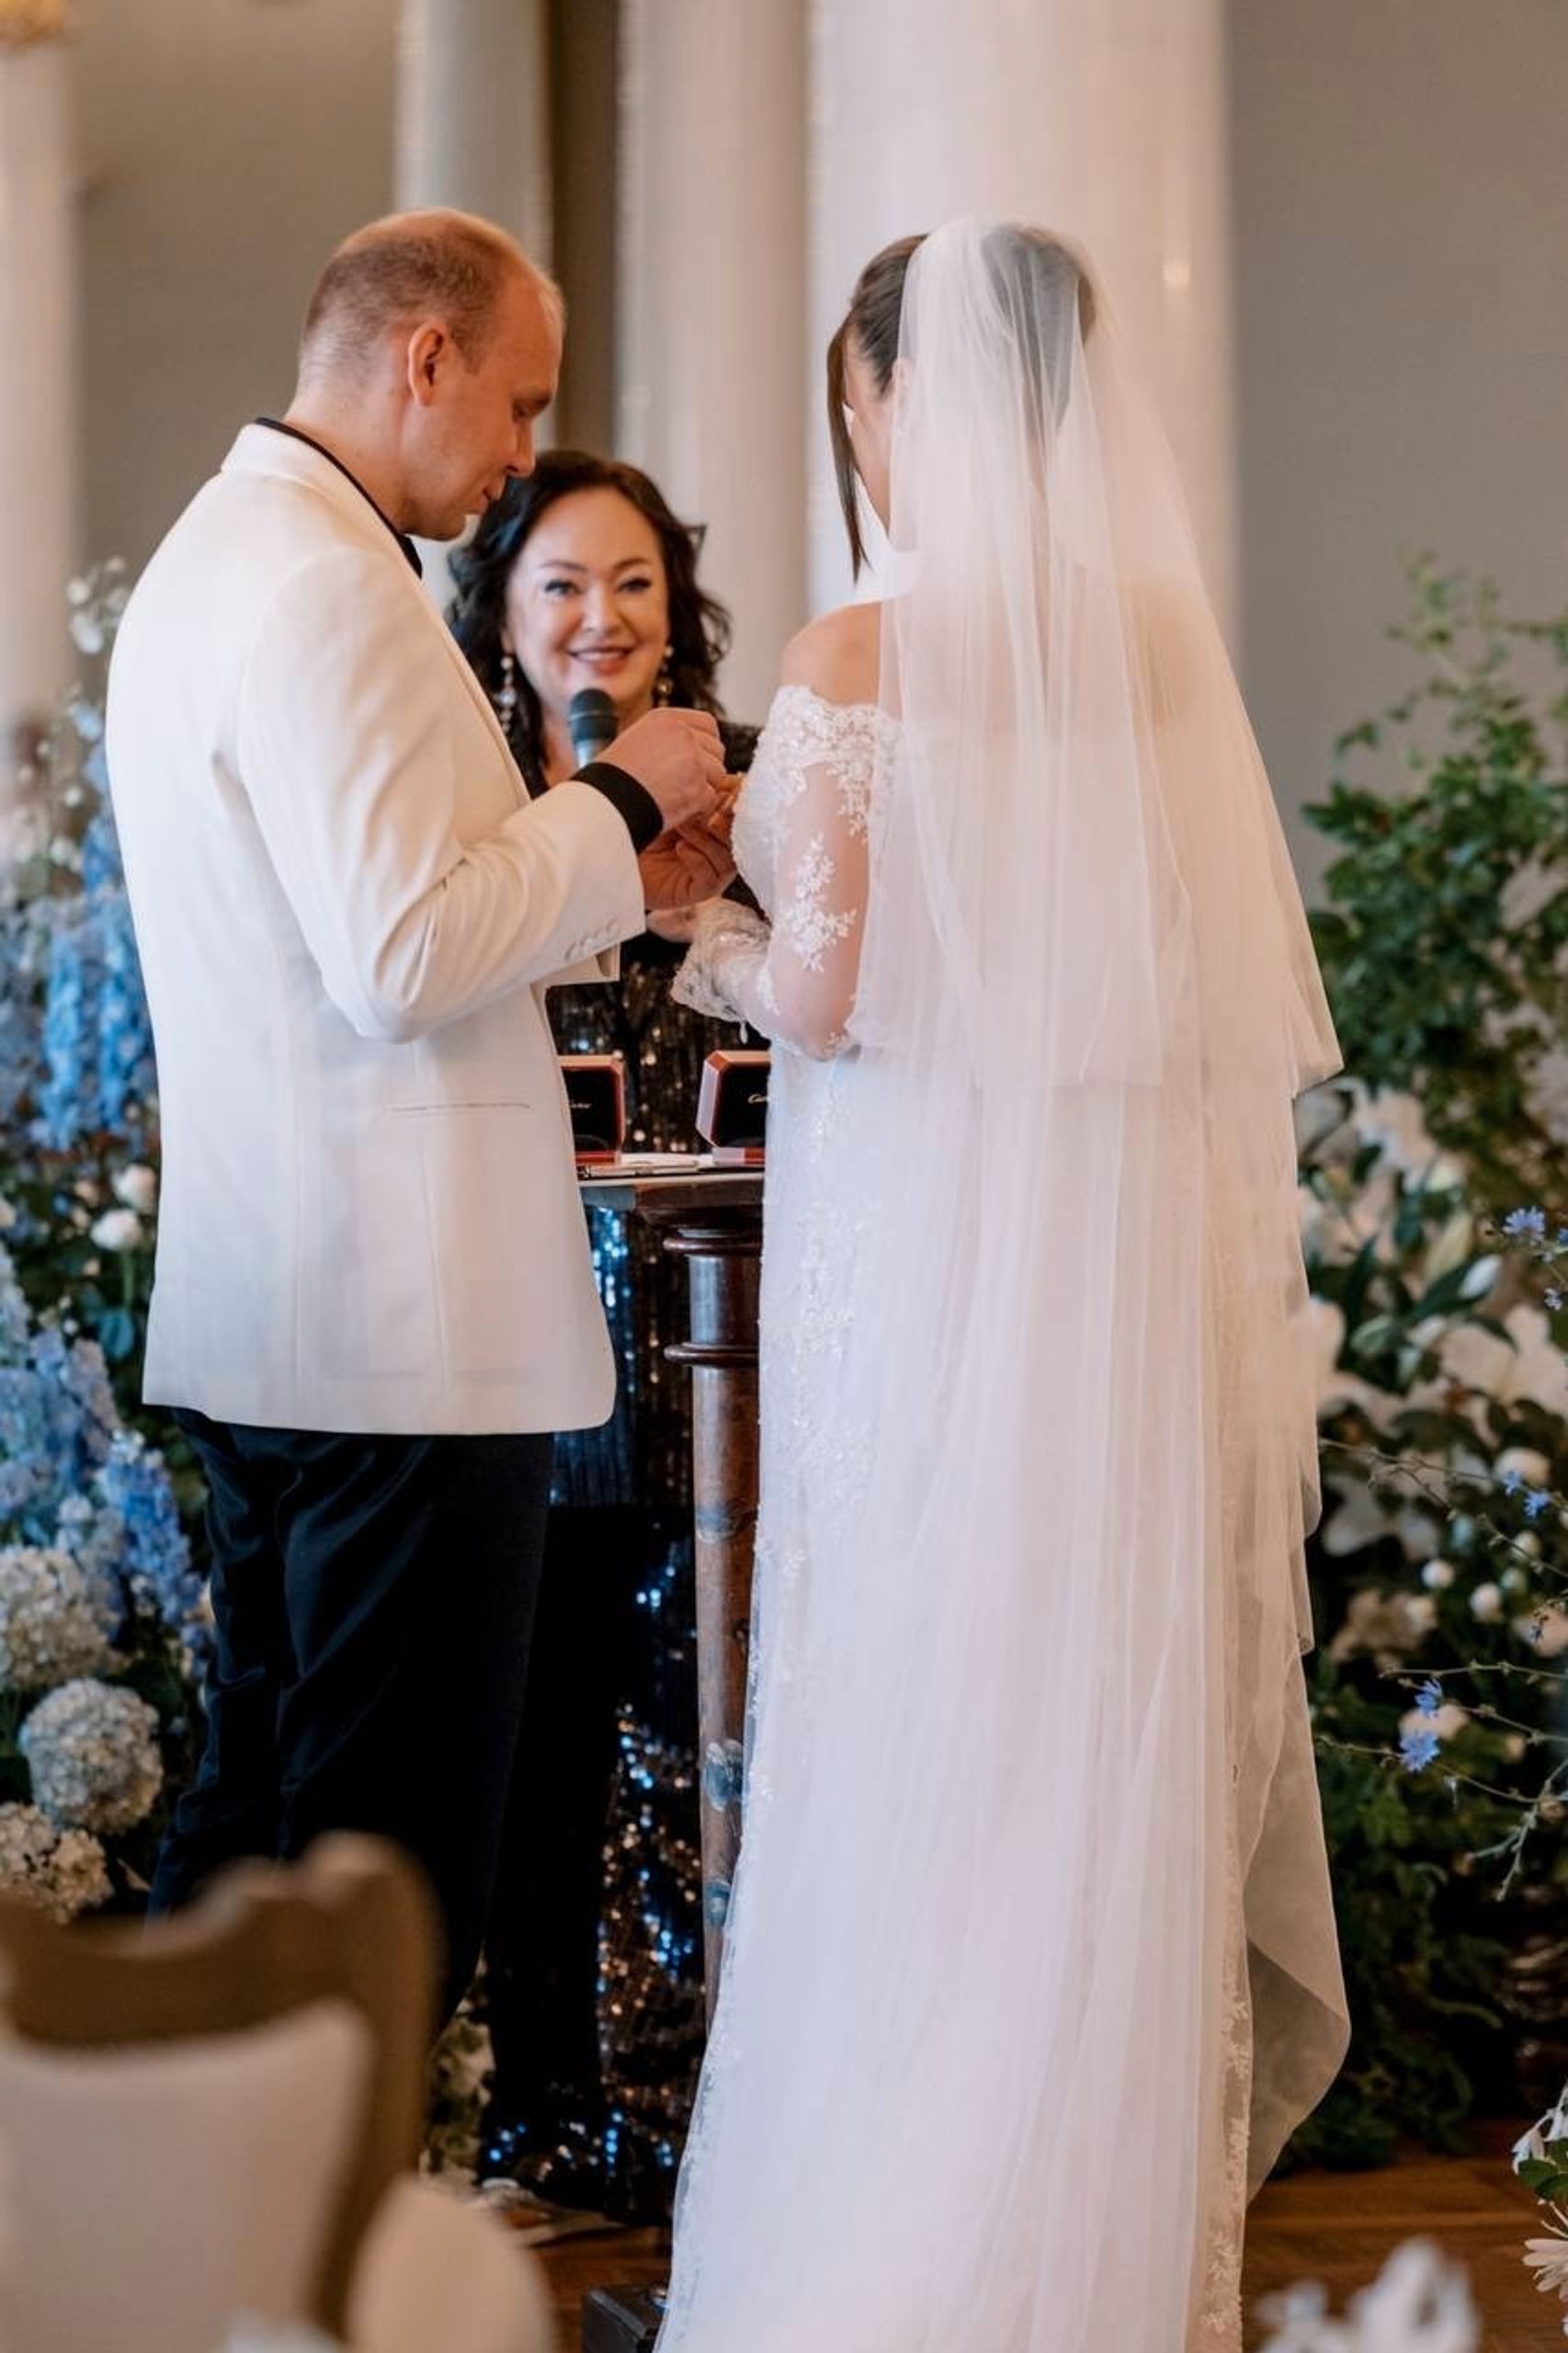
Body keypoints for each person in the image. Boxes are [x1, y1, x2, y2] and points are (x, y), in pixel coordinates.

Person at [662, 219, 1349, 2351]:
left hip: (927, 1269)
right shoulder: (1159, 646)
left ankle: (907, 2243)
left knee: (920, 1716)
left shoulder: (857, 652)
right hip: (1119, 1283)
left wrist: (705, 938)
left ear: (888, 397)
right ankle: (1101, 2255)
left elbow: (833, 993)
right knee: (1089, 1735)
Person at [103, 209, 731, 2026]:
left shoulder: (222, 556)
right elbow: (397, 954)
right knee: (381, 1893)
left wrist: (608, 878)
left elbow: (354, 924)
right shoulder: (326, 584)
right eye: (519, 401)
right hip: (398, 1338)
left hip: (291, 1306)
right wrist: (621, 797)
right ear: (424, 354)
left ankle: (171, 2186)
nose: (525, 452)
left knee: (260, 1843)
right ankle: (307, 2207)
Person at [448, 451, 757, 2213]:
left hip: (732, 1329)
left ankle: (726, 2093)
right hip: (537, 1324)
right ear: (501, 609)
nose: (599, 619)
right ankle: (551, 2100)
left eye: (632, 582)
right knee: (543, 1723)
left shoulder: (758, 783)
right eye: (561, 583)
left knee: (714, 1699)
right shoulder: (476, 808)